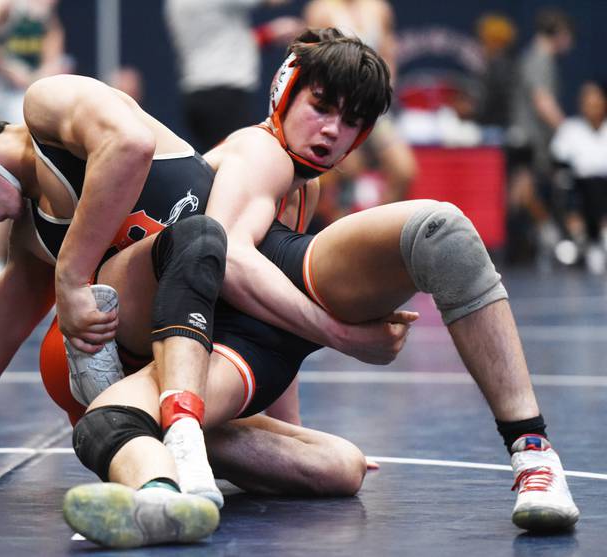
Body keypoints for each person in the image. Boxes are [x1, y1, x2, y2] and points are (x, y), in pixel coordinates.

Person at [53, 28, 579, 542]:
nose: (331, 130)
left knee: (340, 467)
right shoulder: (261, 153)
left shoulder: (305, 187)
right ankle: (533, 450)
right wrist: (341, 335)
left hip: (223, 342)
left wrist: (292, 425)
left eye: (350, 121)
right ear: (284, 94)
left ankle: (174, 464)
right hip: (164, 339)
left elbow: (266, 313)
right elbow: (228, 257)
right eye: (321, 107)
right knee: (440, 231)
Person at [0, 0, 72, 305]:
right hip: (11, 103)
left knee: (47, 184)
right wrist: (9, 68)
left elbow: (53, 44)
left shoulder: (45, 8)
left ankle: (45, 274)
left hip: (38, 98)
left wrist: (49, 69)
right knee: (5, 185)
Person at [304, 0, 416, 208]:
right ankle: (340, 237)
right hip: (338, 110)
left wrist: (381, 92)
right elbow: (312, 65)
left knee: (404, 170)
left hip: (373, 108)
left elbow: (388, 55)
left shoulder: (379, 9)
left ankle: (377, 232)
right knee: (348, 174)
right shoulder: (320, 10)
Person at [164, 0, 304, 153]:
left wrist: (269, 34)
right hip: (225, 98)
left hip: (196, 96)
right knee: (243, 161)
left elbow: (218, 40)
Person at [506, 8, 574, 265]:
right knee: (523, 190)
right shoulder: (540, 59)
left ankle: (521, 243)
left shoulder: (533, 57)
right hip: (529, 139)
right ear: (558, 34)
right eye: (567, 35)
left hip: (528, 138)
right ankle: (547, 234)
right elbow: (542, 101)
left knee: (521, 190)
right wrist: (567, 128)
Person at [550, 81, 607, 274]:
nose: (591, 105)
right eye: (587, 101)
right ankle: (584, 242)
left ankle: (603, 239)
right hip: (580, 190)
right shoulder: (570, 130)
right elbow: (558, 164)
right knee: (571, 186)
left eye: (596, 100)